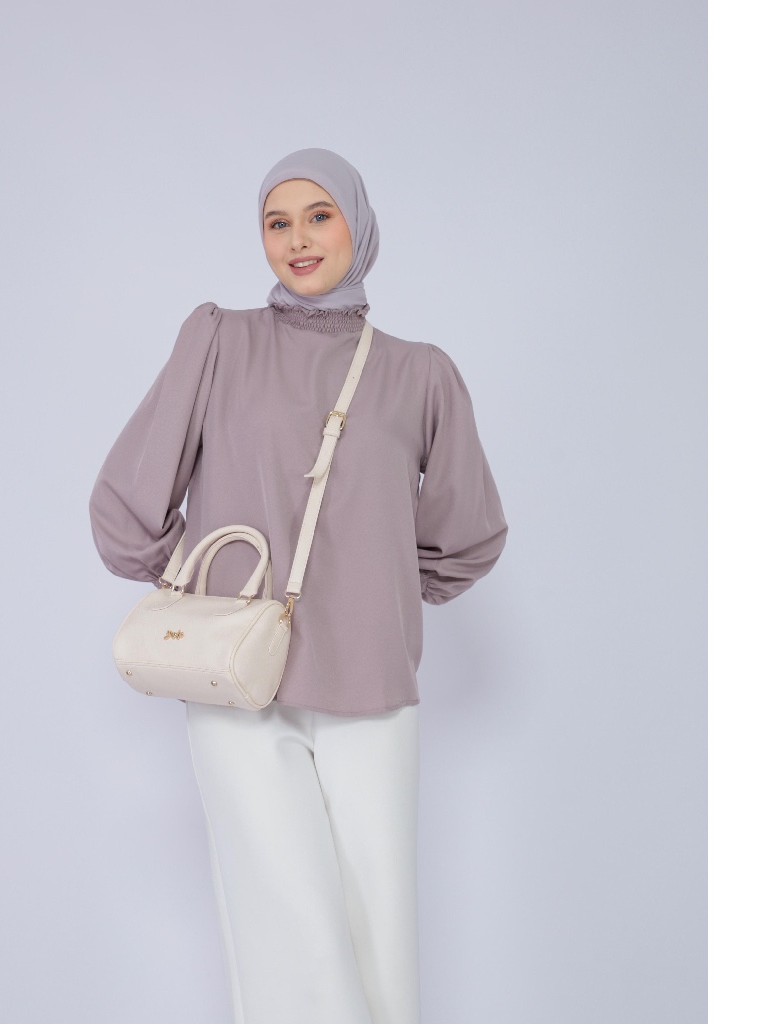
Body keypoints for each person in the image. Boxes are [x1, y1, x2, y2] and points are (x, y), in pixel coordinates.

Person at [88, 147, 508, 1024]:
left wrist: (373, 589)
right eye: (276, 222)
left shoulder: (420, 373)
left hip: (372, 684)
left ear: (359, 225)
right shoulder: (220, 341)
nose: (298, 239)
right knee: (287, 928)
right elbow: (127, 503)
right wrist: (201, 588)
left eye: (319, 215)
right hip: (239, 683)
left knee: (377, 929)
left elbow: (467, 534)